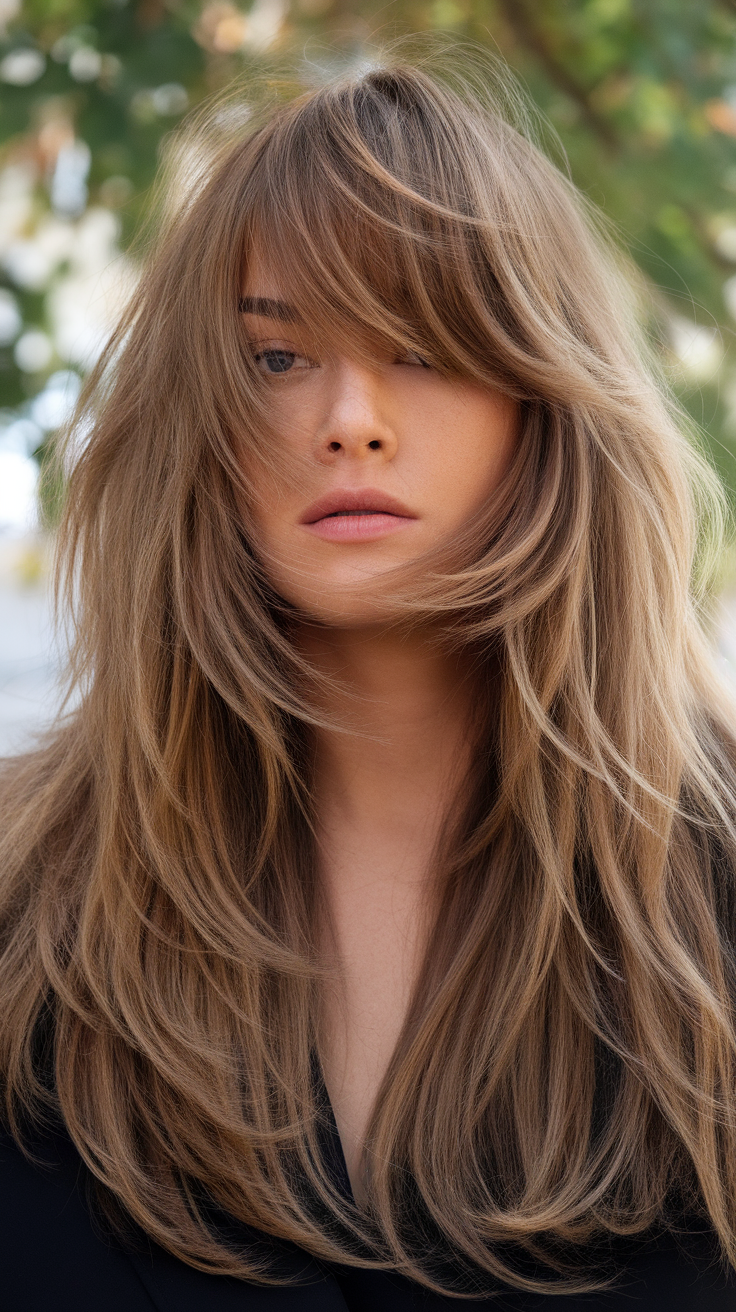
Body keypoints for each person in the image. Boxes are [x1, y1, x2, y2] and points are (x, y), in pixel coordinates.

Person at [1, 43, 736, 1311]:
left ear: (543, 398)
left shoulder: (708, 914)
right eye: (278, 360)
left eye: (423, 346)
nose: (350, 417)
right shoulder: (26, 914)